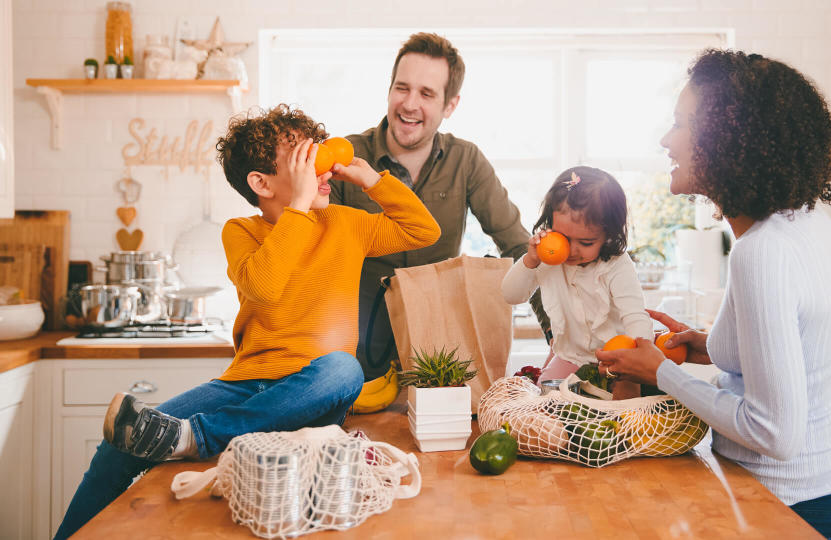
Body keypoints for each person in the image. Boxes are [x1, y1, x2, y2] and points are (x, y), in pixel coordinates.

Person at [53, 104, 441, 539]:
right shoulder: (241, 231)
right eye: (302, 159)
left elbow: (423, 231)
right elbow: (265, 285)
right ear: (261, 182)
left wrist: (370, 177)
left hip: (313, 392)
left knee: (344, 367)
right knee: (118, 443)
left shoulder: (346, 224)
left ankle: (196, 436)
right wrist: (299, 203)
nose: (320, 166)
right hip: (245, 385)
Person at [595, 50, 831, 540]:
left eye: (681, 124)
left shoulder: (759, 252)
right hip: (829, 500)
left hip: (778, 512)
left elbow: (774, 435)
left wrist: (659, 372)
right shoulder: (813, 224)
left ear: (727, 141)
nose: (666, 140)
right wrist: (714, 344)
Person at [332, 32, 549, 403]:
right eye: (402, 88)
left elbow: (518, 245)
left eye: (427, 93)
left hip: (439, 359)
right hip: (352, 354)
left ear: (450, 105)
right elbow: (314, 252)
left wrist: (557, 336)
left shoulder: (466, 161)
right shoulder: (347, 158)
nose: (409, 104)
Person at [501, 166, 654, 399]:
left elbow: (635, 317)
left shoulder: (616, 265)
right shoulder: (547, 257)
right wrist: (530, 260)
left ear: (609, 235)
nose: (571, 251)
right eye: (563, 237)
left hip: (618, 360)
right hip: (570, 356)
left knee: (624, 409)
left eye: (586, 242)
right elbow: (511, 295)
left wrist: (635, 366)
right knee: (547, 401)